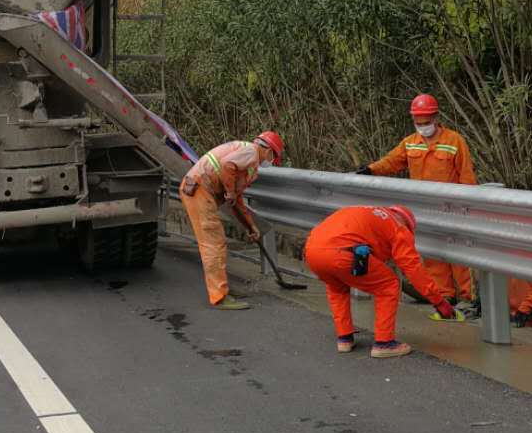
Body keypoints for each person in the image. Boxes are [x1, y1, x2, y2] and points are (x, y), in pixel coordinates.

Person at [356, 93, 477, 308]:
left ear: (436, 117)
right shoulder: (410, 144)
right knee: (433, 254)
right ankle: (445, 296)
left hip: (452, 208)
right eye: (418, 122)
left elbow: (466, 175)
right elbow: (392, 161)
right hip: (425, 210)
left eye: (426, 121)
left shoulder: (454, 141)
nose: (422, 126)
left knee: (459, 255)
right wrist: (370, 170)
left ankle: (468, 298)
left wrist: (469, 207)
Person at [303, 204, 460, 358]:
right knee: (389, 285)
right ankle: (384, 343)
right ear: (408, 225)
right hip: (342, 253)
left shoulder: (371, 213)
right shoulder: (398, 226)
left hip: (312, 251)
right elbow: (413, 269)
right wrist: (439, 302)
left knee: (337, 287)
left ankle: (344, 338)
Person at [180, 131, 283, 310]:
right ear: (269, 152)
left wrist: (250, 226)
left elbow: (236, 199)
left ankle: (222, 288)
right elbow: (227, 166)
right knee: (213, 243)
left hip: (201, 190)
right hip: (199, 190)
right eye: (273, 157)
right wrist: (231, 192)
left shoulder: (248, 162)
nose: (271, 162)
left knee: (216, 243)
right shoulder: (251, 151)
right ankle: (219, 296)